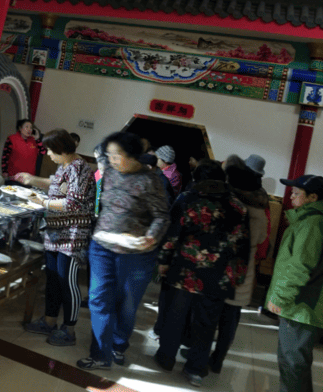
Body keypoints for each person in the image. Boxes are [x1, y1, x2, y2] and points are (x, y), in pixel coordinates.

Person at [76, 131, 169, 370]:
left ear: (133, 155)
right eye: (109, 155)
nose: (112, 160)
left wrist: (151, 237)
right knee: (98, 299)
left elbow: (162, 216)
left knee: (126, 303)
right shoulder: (110, 172)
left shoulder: (150, 180)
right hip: (102, 246)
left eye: (117, 155)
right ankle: (100, 354)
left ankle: (118, 345)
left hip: (136, 254)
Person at [153, 160, 250, 387]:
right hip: (218, 275)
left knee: (175, 316)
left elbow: (172, 234)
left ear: (197, 178)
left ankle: (166, 358)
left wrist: (163, 262)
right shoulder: (238, 206)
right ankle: (196, 369)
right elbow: (242, 245)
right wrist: (237, 276)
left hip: (185, 271)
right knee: (206, 323)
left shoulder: (188, 199)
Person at [16, 129, 96, 346]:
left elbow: (73, 204)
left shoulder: (79, 169)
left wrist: (43, 202)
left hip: (72, 235)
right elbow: (55, 185)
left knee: (67, 283)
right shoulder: (65, 166)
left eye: (50, 151)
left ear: (61, 149)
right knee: (53, 279)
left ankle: (69, 330)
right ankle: (49, 321)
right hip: (55, 232)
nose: (48, 155)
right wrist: (32, 180)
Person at [266, 174, 323, 392]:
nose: (291, 197)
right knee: (296, 363)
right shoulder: (319, 220)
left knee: (292, 363)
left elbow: (299, 266)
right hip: (309, 306)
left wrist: (279, 297)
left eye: (297, 193)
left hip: (302, 306)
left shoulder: (313, 223)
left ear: (312, 197)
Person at [208, 155, 269, 373]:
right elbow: (262, 239)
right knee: (230, 320)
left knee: (209, 315)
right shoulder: (261, 207)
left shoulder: (229, 201)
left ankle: (198, 356)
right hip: (244, 271)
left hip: (220, 267)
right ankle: (218, 360)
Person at [1, 119, 45, 186]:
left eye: (31, 128)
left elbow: (43, 152)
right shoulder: (12, 139)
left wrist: (38, 139)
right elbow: (5, 157)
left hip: (29, 179)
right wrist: (4, 171)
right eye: (26, 127)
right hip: (14, 177)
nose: (29, 129)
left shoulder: (34, 141)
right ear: (20, 128)